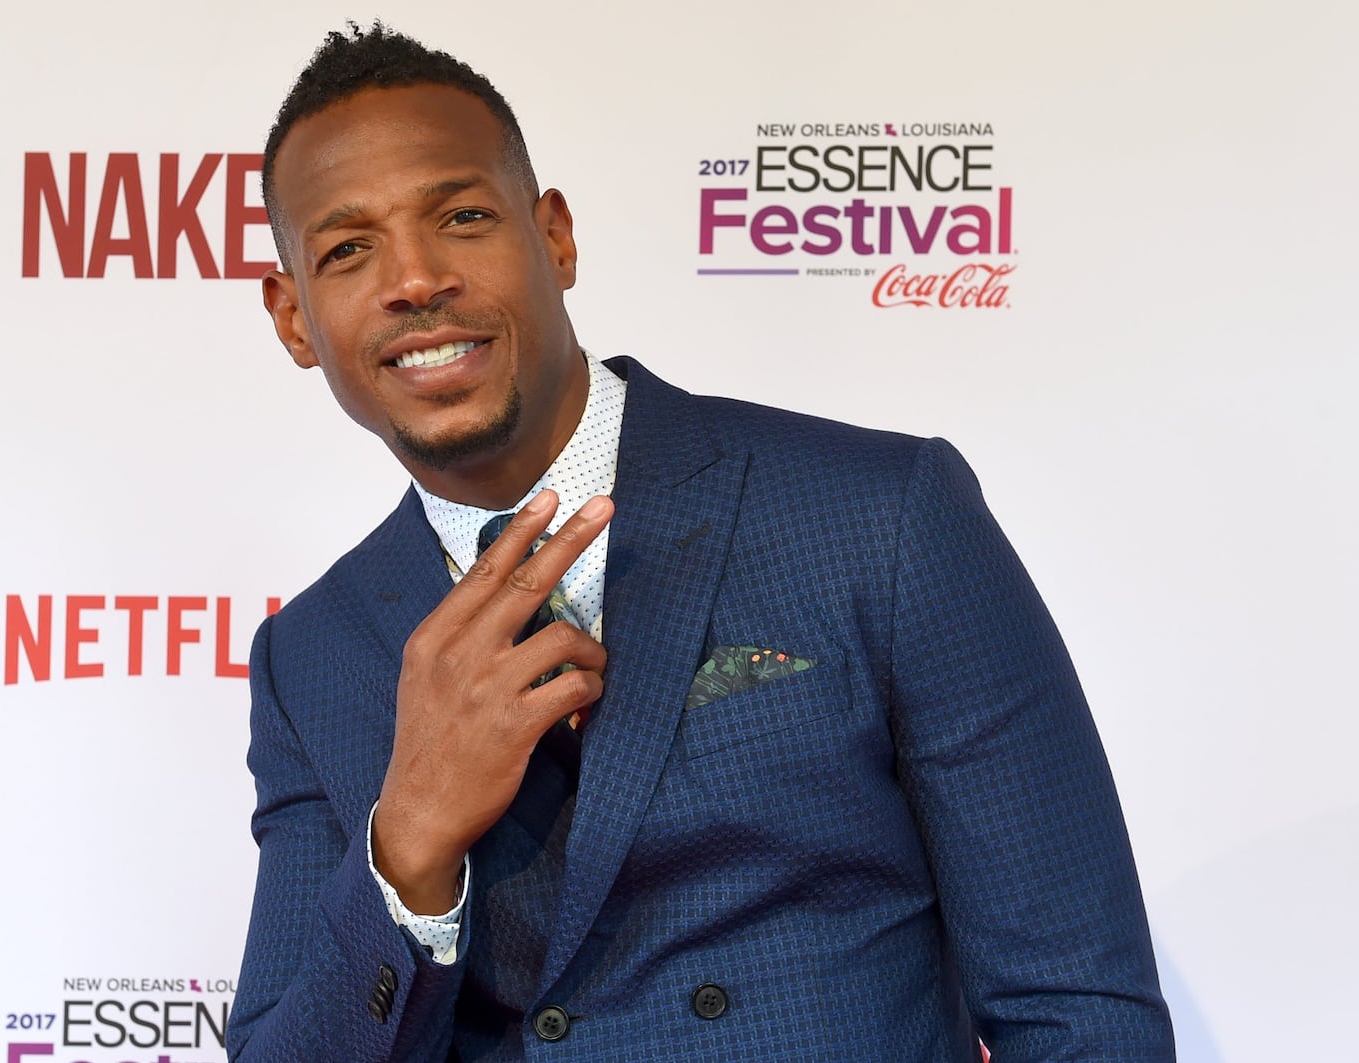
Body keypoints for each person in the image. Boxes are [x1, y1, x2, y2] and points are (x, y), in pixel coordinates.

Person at [226, 22, 1174, 1063]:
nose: (414, 279)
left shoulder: (881, 516)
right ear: (293, 319)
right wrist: (404, 847)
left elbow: (1080, 1011)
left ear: (553, 238)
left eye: (460, 215)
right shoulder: (309, 655)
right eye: (348, 249)